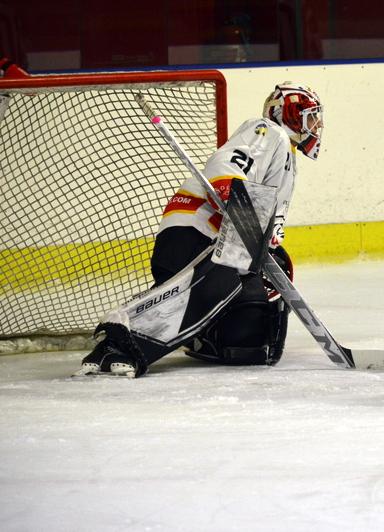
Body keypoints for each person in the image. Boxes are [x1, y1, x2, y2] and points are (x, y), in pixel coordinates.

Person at [74, 82, 323, 378]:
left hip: (225, 244)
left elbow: (263, 214)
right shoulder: (268, 131)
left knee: (250, 337)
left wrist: (267, 245)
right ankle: (120, 340)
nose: (317, 125)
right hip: (196, 230)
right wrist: (229, 189)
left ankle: (203, 336)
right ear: (288, 114)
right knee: (215, 287)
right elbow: (227, 165)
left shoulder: (287, 157)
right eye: (310, 116)